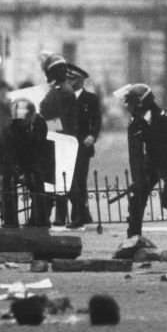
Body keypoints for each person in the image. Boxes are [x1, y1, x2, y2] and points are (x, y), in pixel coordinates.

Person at [116, 83, 167, 251]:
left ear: (141, 103)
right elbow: (135, 155)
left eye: (130, 102)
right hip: (152, 161)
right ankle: (133, 239)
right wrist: (138, 180)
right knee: (137, 197)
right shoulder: (135, 123)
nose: (128, 106)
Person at [39, 54, 101, 228]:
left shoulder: (64, 91)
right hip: (58, 138)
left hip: (62, 139)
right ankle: (72, 214)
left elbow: (62, 119)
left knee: (67, 180)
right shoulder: (59, 89)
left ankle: (80, 214)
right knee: (62, 179)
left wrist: (44, 123)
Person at [0, 98, 51, 228]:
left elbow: (38, 148)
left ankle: (39, 219)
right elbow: (8, 155)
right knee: (8, 182)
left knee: (37, 181)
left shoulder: (40, 124)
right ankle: (10, 221)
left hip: (28, 159)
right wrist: (18, 173)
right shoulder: (8, 131)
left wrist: (31, 171)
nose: (22, 123)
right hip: (5, 161)